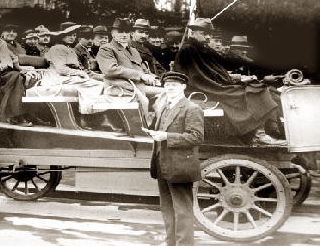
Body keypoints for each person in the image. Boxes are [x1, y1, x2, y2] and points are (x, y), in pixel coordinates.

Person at [173, 18, 286, 145]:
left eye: (209, 34)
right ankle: (259, 135)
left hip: (212, 84)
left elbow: (216, 70)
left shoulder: (200, 49)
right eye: (203, 33)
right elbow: (199, 77)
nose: (207, 37)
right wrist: (229, 82)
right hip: (201, 88)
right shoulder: (188, 50)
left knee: (265, 89)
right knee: (256, 91)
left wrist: (235, 79)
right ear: (193, 33)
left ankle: (269, 131)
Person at [149, 71, 204, 246]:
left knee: (182, 210)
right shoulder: (164, 107)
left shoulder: (192, 108)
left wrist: (166, 136)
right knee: (167, 208)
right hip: (162, 164)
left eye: (174, 85)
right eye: (167, 85)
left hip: (180, 166)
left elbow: (196, 137)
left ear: (183, 87)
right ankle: (170, 242)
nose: (170, 88)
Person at [44, 23, 119, 131]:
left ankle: (96, 120)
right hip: (57, 78)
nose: (72, 37)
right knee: (95, 85)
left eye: (74, 35)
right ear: (62, 35)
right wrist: (80, 73)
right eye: (69, 35)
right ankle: (87, 118)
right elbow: (61, 69)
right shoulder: (57, 48)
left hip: (70, 77)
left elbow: (80, 69)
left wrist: (99, 76)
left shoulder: (68, 49)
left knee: (101, 83)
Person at [96, 18, 157, 123]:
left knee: (165, 94)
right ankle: (144, 127)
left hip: (137, 85)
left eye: (126, 32)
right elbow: (110, 70)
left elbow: (143, 69)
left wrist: (152, 77)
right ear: (113, 33)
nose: (124, 35)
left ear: (130, 33)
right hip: (119, 86)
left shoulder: (133, 50)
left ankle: (159, 125)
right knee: (145, 100)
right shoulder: (106, 49)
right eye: (120, 32)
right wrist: (140, 75)